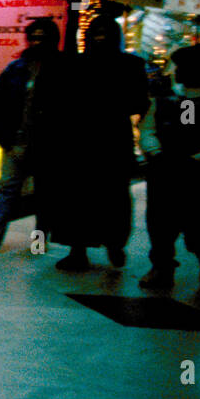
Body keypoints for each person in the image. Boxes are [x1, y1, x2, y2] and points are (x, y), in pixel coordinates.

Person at [49, 14, 149, 271]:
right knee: (109, 196)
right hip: (110, 137)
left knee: (82, 196)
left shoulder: (75, 65)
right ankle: (111, 244)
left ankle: (82, 248)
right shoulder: (131, 65)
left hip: (83, 138)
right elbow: (139, 103)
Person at [137, 46, 200, 292]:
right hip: (167, 166)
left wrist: (199, 158)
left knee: (198, 216)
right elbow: (149, 128)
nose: (178, 72)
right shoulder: (166, 98)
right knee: (159, 217)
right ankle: (162, 266)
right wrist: (157, 153)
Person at [0, 17, 65, 253]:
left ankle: (38, 241)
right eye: (32, 38)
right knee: (8, 189)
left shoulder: (62, 68)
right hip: (18, 140)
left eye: (40, 38)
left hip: (47, 143)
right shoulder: (16, 69)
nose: (35, 42)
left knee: (44, 196)